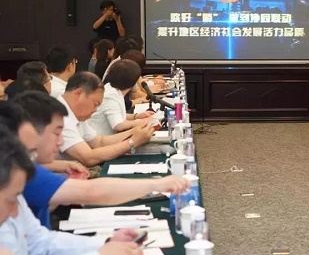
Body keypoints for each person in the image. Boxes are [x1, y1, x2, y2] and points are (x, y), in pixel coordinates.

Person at [0, 126, 143, 255]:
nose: (15, 212)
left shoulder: (12, 189)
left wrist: (105, 244)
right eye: (31, 153)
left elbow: (40, 242)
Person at [6, 93, 189, 228]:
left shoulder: (25, 166)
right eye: (56, 133)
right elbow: (91, 191)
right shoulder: (23, 172)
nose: (61, 142)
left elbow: (42, 240)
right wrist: (156, 184)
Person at [57, 72, 154, 166]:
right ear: (79, 94)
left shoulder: (75, 113)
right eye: (95, 104)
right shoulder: (59, 117)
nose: (95, 110)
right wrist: (132, 142)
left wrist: (134, 132)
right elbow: (88, 158)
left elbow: (99, 142)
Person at [89, 59, 149, 135]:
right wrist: (141, 122)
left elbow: (117, 115)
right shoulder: (110, 96)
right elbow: (118, 125)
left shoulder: (113, 89)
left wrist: (137, 116)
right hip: (103, 139)